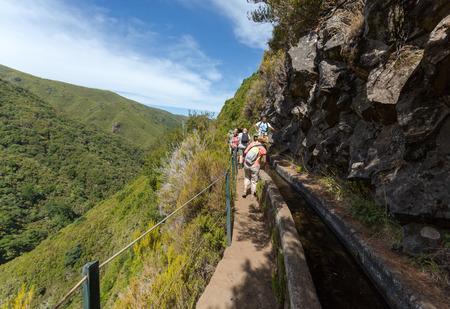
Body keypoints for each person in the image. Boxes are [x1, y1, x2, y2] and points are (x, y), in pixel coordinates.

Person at [243, 134, 267, 200]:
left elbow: (245, 151)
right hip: (255, 166)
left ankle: (245, 191)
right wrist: (263, 166)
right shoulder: (263, 149)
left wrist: (249, 157)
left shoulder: (252, 144)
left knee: (247, 177)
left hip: (246, 164)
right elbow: (264, 161)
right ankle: (252, 196)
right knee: (254, 181)